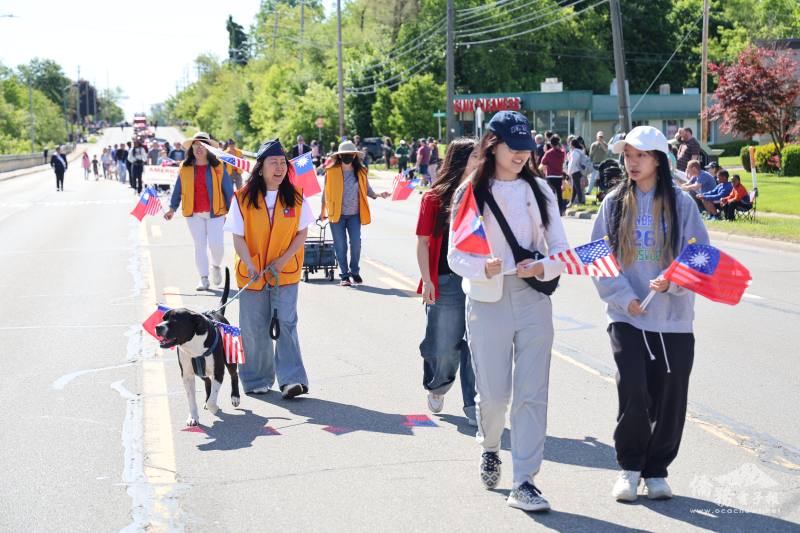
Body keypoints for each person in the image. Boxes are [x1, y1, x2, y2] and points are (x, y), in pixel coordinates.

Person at [448, 111, 569, 512]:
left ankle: (525, 481)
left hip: (533, 296)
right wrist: (481, 266)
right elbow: (455, 255)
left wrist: (545, 266)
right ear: (492, 145)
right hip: (487, 299)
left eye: (526, 149)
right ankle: (490, 446)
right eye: (513, 148)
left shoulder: (540, 191)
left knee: (532, 394)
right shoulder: (470, 192)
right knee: (495, 396)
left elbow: (560, 248)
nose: (521, 155)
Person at [590, 125, 708, 503]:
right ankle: (630, 468)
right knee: (634, 389)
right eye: (627, 156)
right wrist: (625, 298)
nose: (632, 163)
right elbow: (597, 256)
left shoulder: (682, 203)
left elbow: (700, 257)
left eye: (640, 155)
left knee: (670, 397)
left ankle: (657, 471)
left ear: (658, 159)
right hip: (627, 316)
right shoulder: (613, 202)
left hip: (673, 319)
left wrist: (670, 282)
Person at [224, 139, 314, 399]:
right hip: (252, 273)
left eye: (283, 163)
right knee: (253, 326)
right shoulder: (242, 198)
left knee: (286, 322)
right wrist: (251, 264)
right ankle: (256, 379)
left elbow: (302, 232)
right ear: (260, 168)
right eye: (273, 163)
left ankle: (292, 379)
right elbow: (237, 237)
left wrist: (284, 259)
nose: (279, 168)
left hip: (285, 272)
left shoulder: (296, 197)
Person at [416, 138, 480, 427]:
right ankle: (437, 384)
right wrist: (428, 280)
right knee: (444, 346)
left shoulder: (486, 194)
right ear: (461, 160)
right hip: (446, 280)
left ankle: (474, 404)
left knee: (477, 345)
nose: (482, 162)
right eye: (476, 156)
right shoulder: (434, 198)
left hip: (479, 279)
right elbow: (423, 243)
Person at [164, 132, 234, 291]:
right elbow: (178, 189)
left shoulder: (218, 166)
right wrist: (171, 209)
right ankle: (203, 278)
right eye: (196, 146)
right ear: (191, 149)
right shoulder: (185, 167)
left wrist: (233, 211)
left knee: (217, 245)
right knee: (199, 246)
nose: (199, 149)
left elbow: (228, 190)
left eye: (202, 146)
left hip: (216, 212)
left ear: (209, 149)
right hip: (193, 213)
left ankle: (215, 266)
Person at [320, 141, 390, 286]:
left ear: (354, 156)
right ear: (339, 156)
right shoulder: (331, 172)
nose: (347, 157)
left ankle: (355, 272)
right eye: (344, 155)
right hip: (336, 215)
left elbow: (368, 191)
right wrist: (322, 212)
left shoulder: (361, 171)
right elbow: (325, 194)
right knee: (340, 246)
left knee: (356, 244)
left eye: (350, 155)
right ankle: (344, 275)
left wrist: (379, 194)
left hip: (354, 215)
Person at [540, 135, 567, 215]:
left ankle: (550, 210)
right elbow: (563, 161)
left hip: (550, 176)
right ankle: (560, 210)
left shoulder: (548, 153)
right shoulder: (562, 153)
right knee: (559, 195)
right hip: (559, 175)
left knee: (550, 194)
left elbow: (543, 164)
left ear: (551, 144)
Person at [566, 138, 589, 205]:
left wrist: (568, 173)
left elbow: (572, 163)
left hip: (575, 171)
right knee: (575, 188)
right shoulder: (579, 151)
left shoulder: (575, 153)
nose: (569, 146)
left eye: (570, 144)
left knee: (577, 188)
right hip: (578, 171)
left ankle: (580, 202)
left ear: (573, 145)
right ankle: (571, 202)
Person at [588, 131, 609, 195]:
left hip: (602, 164)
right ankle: (588, 191)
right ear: (596, 137)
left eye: (601, 137)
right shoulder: (593, 144)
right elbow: (591, 155)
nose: (600, 138)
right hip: (595, 164)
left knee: (601, 179)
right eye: (599, 137)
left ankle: (601, 193)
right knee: (592, 179)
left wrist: (601, 143)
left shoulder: (605, 144)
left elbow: (606, 151)